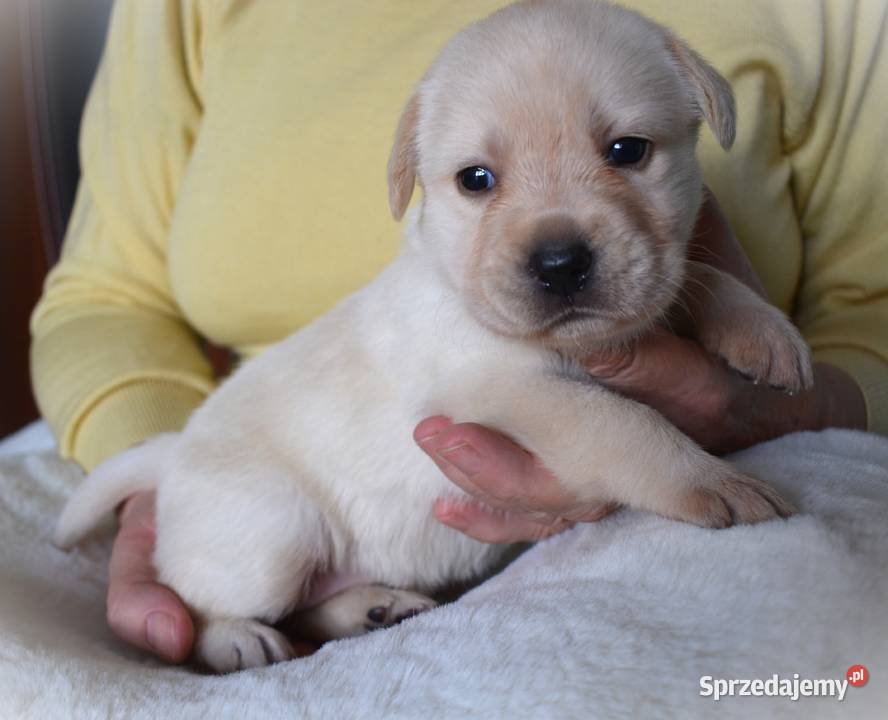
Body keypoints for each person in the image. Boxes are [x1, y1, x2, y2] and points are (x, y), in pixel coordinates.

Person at [30, 0, 887, 664]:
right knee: (259, 556)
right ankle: (246, 611)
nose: (557, 247)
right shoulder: (440, 311)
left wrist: (740, 314)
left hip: (519, 571)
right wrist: (673, 474)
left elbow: (786, 290)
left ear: (701, 112)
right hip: (278, 472)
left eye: (625, 152)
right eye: (479, 180)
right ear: (415, 182)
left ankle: (333, 607)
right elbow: (507, 398)